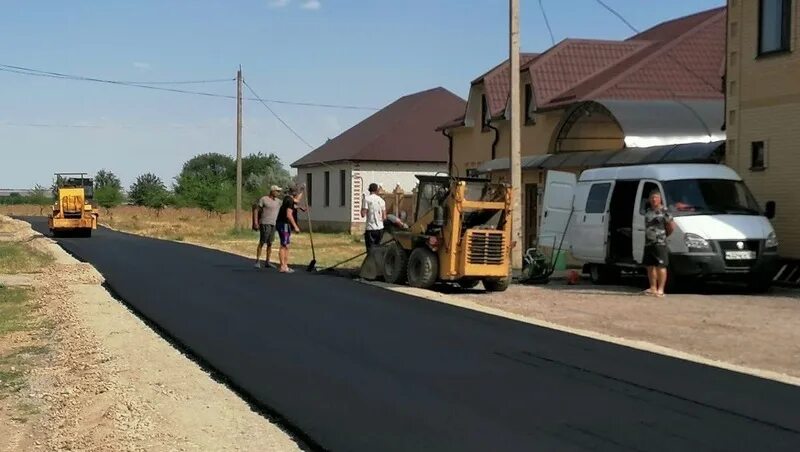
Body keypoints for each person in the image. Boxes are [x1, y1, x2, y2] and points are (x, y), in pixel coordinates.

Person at [643, 190, 675, 297]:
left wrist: (663, 235)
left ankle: (661, 289)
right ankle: (653, 287)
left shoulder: (664, 211)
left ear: (660, 199)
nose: (654, 200)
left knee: (661, 266)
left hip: (660, 242)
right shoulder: (648, 211)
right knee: (650, 266)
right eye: (652, 198)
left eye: (656, 197)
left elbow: (671, 227)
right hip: (648, 242)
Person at [252, 185, 282, 269]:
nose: (278, 193)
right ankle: (257, 261)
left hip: (273, 224)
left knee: (270, 243)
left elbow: (288, 204)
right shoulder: (264, 199)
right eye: (277, 191)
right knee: (262, 241)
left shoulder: (278, 201)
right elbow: (256, 210)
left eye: (279, 191)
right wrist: (255, 222)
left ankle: (267, 262)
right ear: (272, 191)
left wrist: (300, 207)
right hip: (265, 223)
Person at [275, 187, 301, 273]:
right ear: (294, 194)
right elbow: (289, 215)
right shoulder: (289, 201)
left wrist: (302, 191)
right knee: (284, 245)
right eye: (297, 193)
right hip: (284, 224)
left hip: (282, 223)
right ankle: (283, 266)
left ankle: (285, 265)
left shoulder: (287, 198)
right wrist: (295, 226)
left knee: (287, 245)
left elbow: (296, 202)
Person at [361, 183, 386, 251]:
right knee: (379, 249)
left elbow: (363, 214)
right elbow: (384, 217)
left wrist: (362, 204)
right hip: (380, 228)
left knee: (370, 250)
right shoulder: (381, 200)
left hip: (370, 228)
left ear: (369, 190)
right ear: (377, 190)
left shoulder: (366, 199)